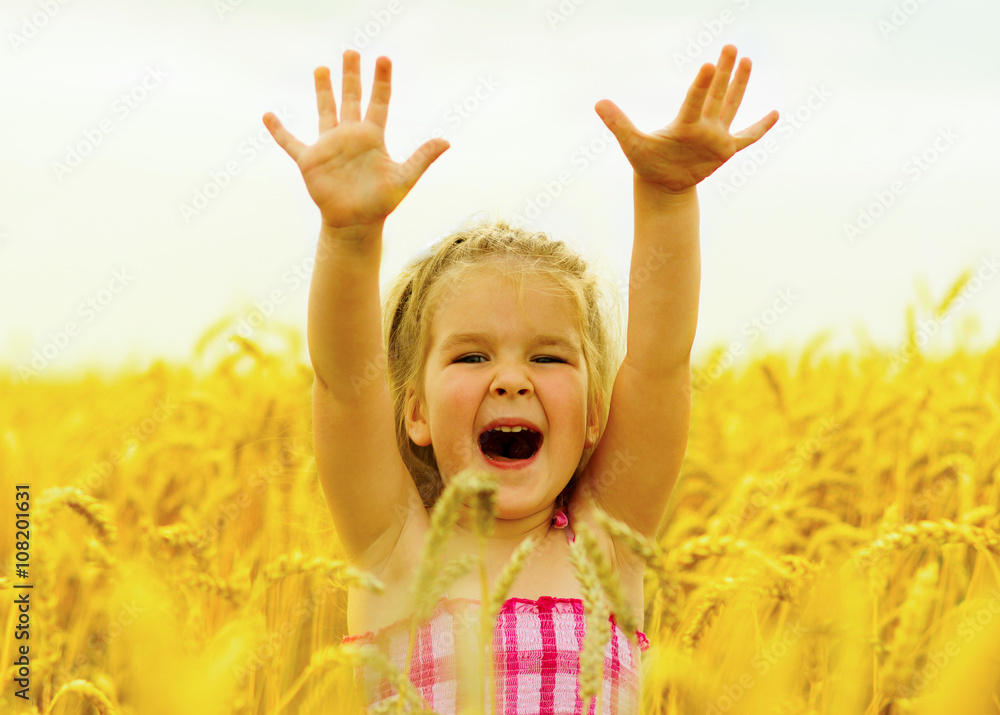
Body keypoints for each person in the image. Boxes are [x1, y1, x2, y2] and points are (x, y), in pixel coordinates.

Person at [263, 45, 777, 714]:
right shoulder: (391, 546)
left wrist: (667, 199)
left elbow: (658, 362)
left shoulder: (607, 546)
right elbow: (344, 384)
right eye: (472, 357)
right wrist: (351, 237)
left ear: (596, 413)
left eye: (549, 357)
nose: (511, 379)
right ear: (413, 411)